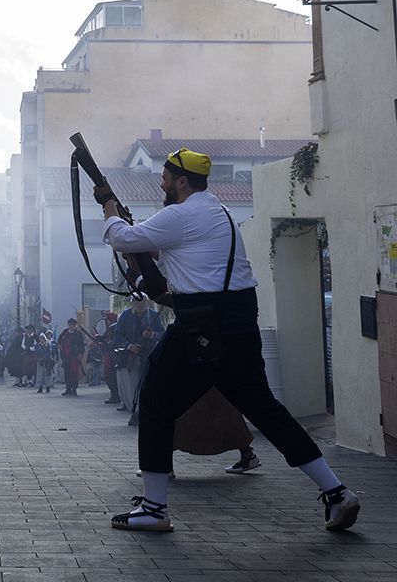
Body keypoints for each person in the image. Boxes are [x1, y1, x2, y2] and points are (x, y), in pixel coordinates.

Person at [99, 147, 359, 532]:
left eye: (167, 177)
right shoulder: (217, 212)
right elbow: (166, 252)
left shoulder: (181, 215)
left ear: (182, 181)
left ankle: (154, 508)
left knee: (153, 402)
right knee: (266, 410)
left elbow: (122, 239)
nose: (162, 183)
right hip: (237, 321)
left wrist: (108, 207)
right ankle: (335, 491)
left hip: (201, 325)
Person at [112, 295, 164, 426]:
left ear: (147, 302)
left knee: (148, 385)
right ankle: (135, 412)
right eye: (137, 301)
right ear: (133, 302)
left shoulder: (153, 315)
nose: (140, 304)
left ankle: (146, 413)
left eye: (143, 301)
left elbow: (162, 334)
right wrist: (130, 346)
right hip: (131, 357)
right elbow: (117, 335)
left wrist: (151, 335)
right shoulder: (125, 316)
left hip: (149, 356)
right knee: (132, 386)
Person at [58, 317, 86, 396]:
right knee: (67, 372)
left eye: (73, 325)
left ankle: (74, 389)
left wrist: (80, 354)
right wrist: (59, 346)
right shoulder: (65, 332)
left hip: (74, 356)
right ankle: (68, 388)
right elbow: (59, 340)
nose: (71, 326)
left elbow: (81, 345)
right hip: (66, 356)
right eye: (70, 324)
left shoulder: (78, 334)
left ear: (75, 325)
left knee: (74, 373)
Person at [35, 328, 56, 393]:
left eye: (42, 338)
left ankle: (48, 387)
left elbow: (48, 353)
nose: (41, 340)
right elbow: (36, 353)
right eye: (40, 338)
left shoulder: (47, 345)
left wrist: (43, 358)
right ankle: (40, 387)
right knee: (40, 375)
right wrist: (38, 358)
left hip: (46, 362)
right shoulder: (37, 346)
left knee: (47, 375)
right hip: (40, 362)